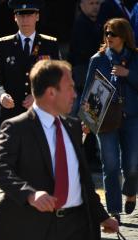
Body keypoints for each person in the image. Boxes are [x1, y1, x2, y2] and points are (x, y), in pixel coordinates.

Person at [0, 59, 119, 240]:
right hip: (35, 227)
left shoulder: (73, 126)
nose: (75, 94)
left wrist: (101, 215)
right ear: (50, 93)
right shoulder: (17, 127)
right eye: (70, 88)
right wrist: (30, 194)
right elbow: (0, 169)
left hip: (75, 228)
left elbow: (82, 178)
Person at [80, 18, 138, 223]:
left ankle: (131, 191)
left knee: (132, 164)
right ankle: (114, 210)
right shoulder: (98, 58)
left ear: (124, 36)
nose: (108, 37)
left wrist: (128, 74)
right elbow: (89, 89)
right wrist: (86, 119)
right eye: (106, 33)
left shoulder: (135, 57)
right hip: (104, 118)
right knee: (110, 164)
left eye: (112, 33)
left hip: (132, 117)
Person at [0, 0, 60, 129]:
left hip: (41, 113)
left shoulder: (49, 44)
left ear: (37, 16)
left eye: (29, 15)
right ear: (15, 18)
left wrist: (39, 97)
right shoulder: (4, 45)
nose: (25, 19)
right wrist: (1, 95)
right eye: (21, 15)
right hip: (11, 114)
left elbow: (57, 77)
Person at [68, 0, 103, 173]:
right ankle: (87, 156)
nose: (95, 6)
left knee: (90, 116)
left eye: (97, 3)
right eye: (91, 3)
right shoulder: (82, 24)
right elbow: (83, 52)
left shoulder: (94, 22)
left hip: (89, 74)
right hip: (84, 75)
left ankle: (90, 154)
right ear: (81, 5)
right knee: (86, 116)